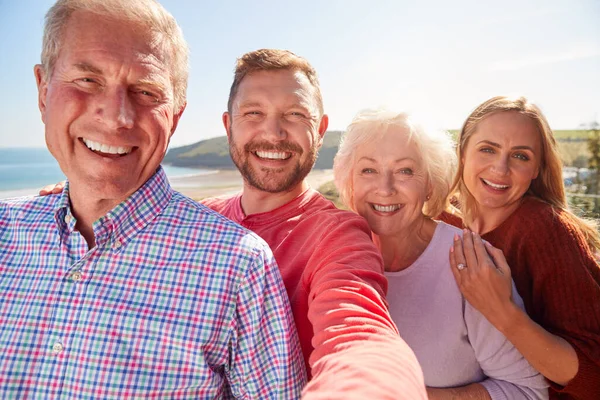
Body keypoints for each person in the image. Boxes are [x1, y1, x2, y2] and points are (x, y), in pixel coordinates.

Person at [0, 1, 306, 398]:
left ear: (175, 116)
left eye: (146, 91)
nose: (115, 117)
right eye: (87, 80)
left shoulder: (237, 266)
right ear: (43, 91)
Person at [201, 49, 426, 399]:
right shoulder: (199, 219)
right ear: (229, 126)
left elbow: (359, 334)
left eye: (294, 114)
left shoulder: (336, 234)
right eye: (254, 113)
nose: (273, 133)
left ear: (320, 130)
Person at [333, 109, 549, 399]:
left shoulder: (469, 261)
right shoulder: (333, 259)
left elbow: (528, 392)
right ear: (350, 182)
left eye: (405, 171)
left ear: (430, 185)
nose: (385, 188)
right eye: (368, 170)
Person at [444, 95, 600, 399]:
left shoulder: (545, 230)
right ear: (462, 153)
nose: (500, 169)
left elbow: (593, 378)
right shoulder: (441, 219)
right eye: (487, 149)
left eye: (521, 156)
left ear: (538, 169)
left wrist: (503, 312)